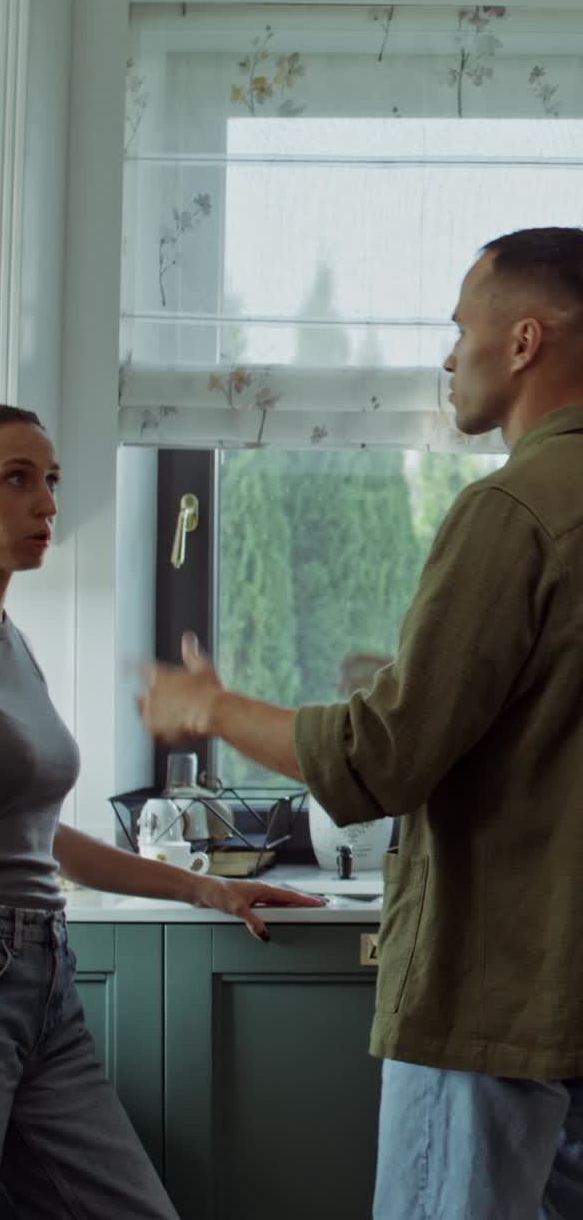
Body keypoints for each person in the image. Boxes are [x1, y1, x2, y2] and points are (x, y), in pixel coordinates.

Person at [137, 226, 583, 1219]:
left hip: (492, 1000)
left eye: (459, 328)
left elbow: (384, 756)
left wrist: (212, 706)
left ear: (523, 341)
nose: (448, 356)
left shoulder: (513, 511)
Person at [0, 401, 321, 1220]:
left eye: (51, 480)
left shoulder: (10, 643)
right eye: (16, 479)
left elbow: (43, 838)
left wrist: (210, 888)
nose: (46, 503)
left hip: (45, 981)